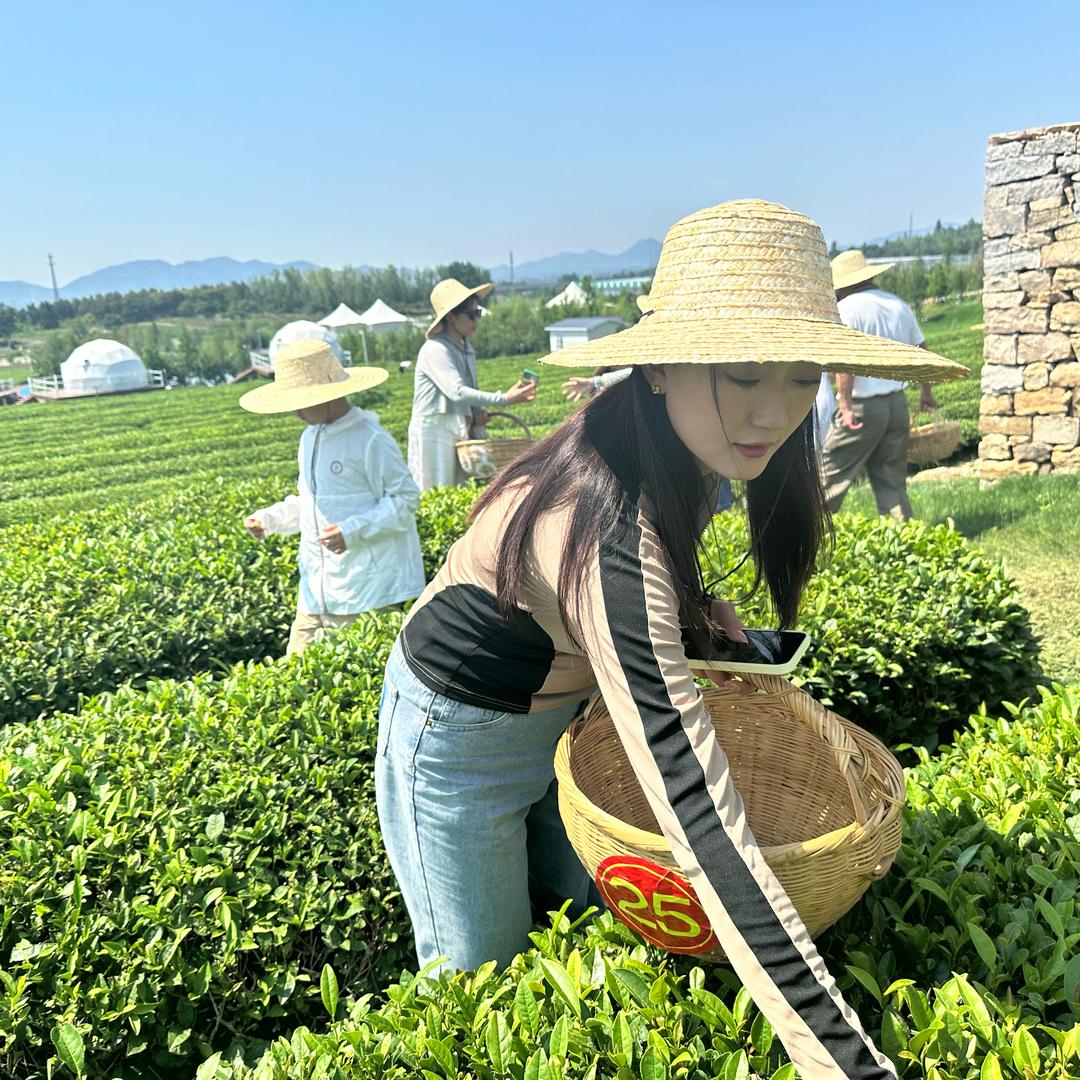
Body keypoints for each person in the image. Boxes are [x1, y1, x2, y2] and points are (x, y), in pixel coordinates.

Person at [375, 200, 965, 1080]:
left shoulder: (676, 450)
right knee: (478, 978)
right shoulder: (599, 525)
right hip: (456, 738)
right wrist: (845, 1063)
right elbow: (706, 827)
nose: (774, 412)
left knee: (574, 923)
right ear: (659, 369)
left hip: (570, 715)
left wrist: (688, 611)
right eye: (741, 372)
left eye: (803, 377)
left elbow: (629, 587)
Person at [240, 339, 425, 656]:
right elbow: (309, 502)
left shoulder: (370, 438)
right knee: (296, 673)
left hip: (365, 590)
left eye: (302, 402)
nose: (297, 412)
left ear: (328, 394)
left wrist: (352, 531)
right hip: (314, 589)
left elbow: (406, 498)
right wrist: (269, 519)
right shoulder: (309, 437)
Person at [820, 250, 940, 520]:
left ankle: (805, 534)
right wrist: (926, 392)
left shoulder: (848, 309)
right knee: (891, 480)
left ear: (845, 283)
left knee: (830, 473)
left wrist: (846, 404)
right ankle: (904, 536)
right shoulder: (897, 304)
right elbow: (922, 350)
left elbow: (847, 359)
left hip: (863, 407)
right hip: (896, 404)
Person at [407, 278, 537, 490]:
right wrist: (504, 399)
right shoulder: (435, 349)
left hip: (458, 424)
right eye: (470, 314)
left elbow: (468, 392)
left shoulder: (466, 349)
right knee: (436, 488)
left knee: (460, 487)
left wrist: (477, 414)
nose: (475, 320)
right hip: (435, 427)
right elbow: (457, 391)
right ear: (450, 316)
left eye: (478, 313)